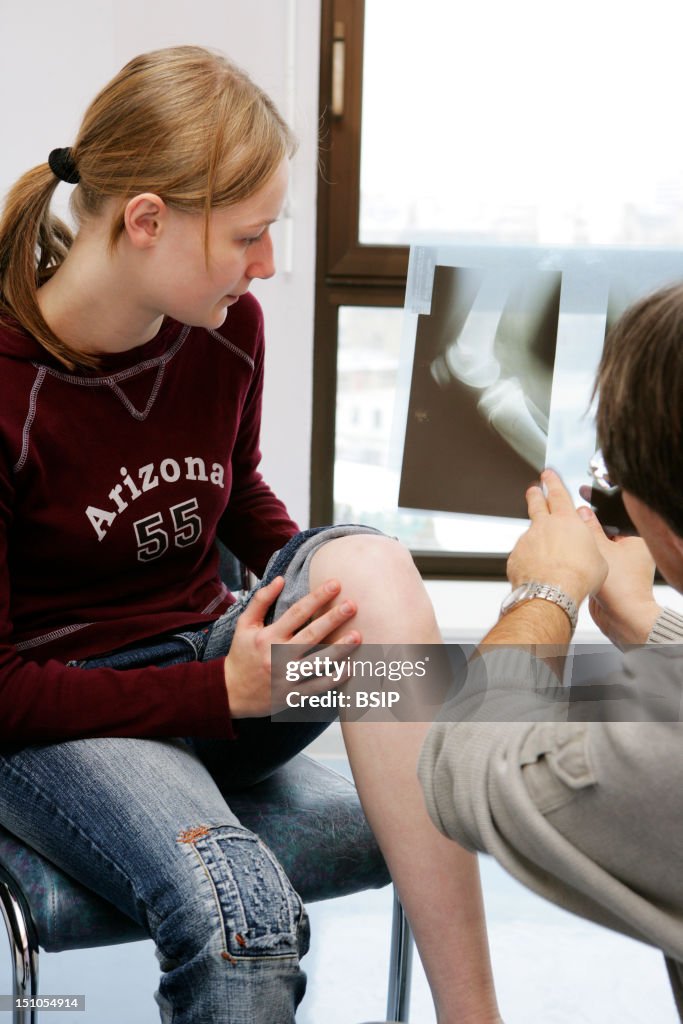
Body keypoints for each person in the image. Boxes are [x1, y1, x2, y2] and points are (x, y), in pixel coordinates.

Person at [0, 46, 503, 1023]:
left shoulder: (227, 329)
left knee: (375, 569)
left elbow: (232, 496)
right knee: (247, 914)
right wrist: (216, 687)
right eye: (248, 236)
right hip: (64, 715)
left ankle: (470, 1016)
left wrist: (318, 573)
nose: (267, 264)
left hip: (221, 676)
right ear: (145, 221)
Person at [418, 281, 683, 1017]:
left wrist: (547, 589)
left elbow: (464, 769)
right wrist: (647, 623)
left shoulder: (659, 735)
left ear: (653, 521)